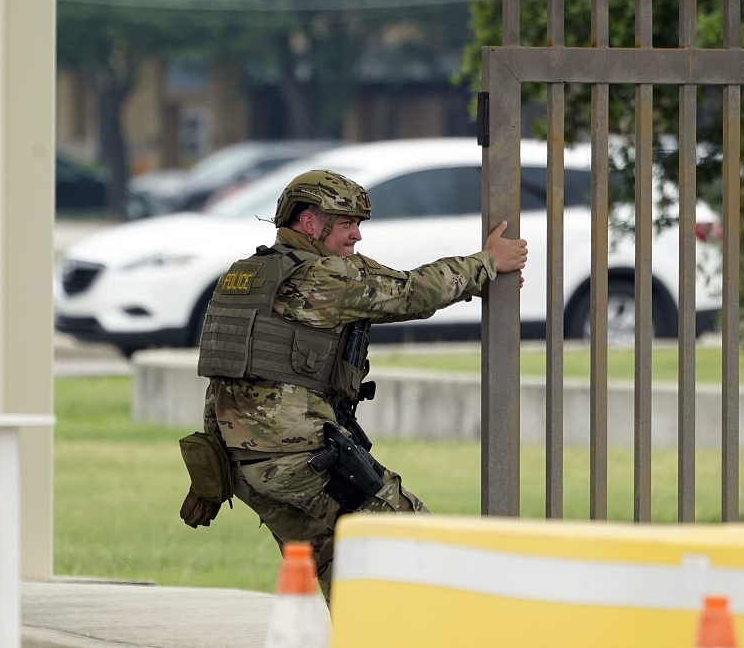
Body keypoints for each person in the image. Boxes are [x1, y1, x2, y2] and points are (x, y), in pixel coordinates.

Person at [195, 169, 526, 600]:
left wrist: (475, 285)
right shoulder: (324, 279)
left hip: (240, 467)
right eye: (347, 222)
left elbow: (225, 375)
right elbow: (410, 292)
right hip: (298, 460)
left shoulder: (246, 275)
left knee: (343, 568)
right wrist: (487, 263)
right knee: (420, 542)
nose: (357, 235)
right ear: (309, 222)